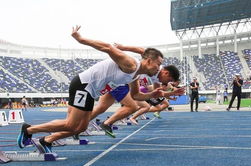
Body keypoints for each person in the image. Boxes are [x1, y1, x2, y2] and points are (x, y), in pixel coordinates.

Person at [17, 25, 183, 153]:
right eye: (159, 64)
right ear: (148, 61)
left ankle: (46, 141)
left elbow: (136, 95)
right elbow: (108, 48)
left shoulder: (136, 75)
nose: (160, 68)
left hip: (92, 91)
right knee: (71, 124)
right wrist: (81, 40)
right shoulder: (131, 64)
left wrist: (155, 93)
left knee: (81, 127)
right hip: (84, 84)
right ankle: (29, 129)